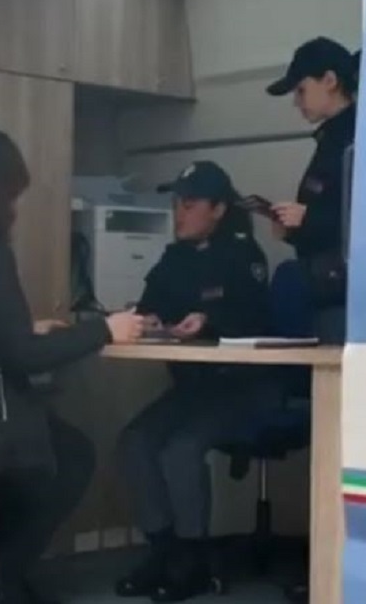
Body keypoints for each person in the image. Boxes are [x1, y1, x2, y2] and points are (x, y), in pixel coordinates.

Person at [0, 125, 145, 604]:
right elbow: (21, 355)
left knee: (66, 451)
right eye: (13, 191)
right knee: (68, 459)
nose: (16, 204)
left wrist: (26, 326)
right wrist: (105, 330)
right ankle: (0, 581)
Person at [114, 160, 280, 602]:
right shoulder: (175, 257)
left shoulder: (243, 255)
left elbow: (254, 318)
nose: (178, 214)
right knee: (134, 442)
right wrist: (148, 319)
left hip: (244, 388)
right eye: (176, 205)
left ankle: (193, 560)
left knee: (181, 450)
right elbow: (149, 305)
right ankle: (163, 551)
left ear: (218, 209)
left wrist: (210, 321)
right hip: (195, 389)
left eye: (189, 205)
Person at [266, 36, 358, 344]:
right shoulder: (330, 140)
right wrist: (293, 229)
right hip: (326, 268)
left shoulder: (359, 138)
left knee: (288, 281)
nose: (297, 102)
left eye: (301, 90)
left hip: (349, 273)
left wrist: (307, 219)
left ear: (330, 81)